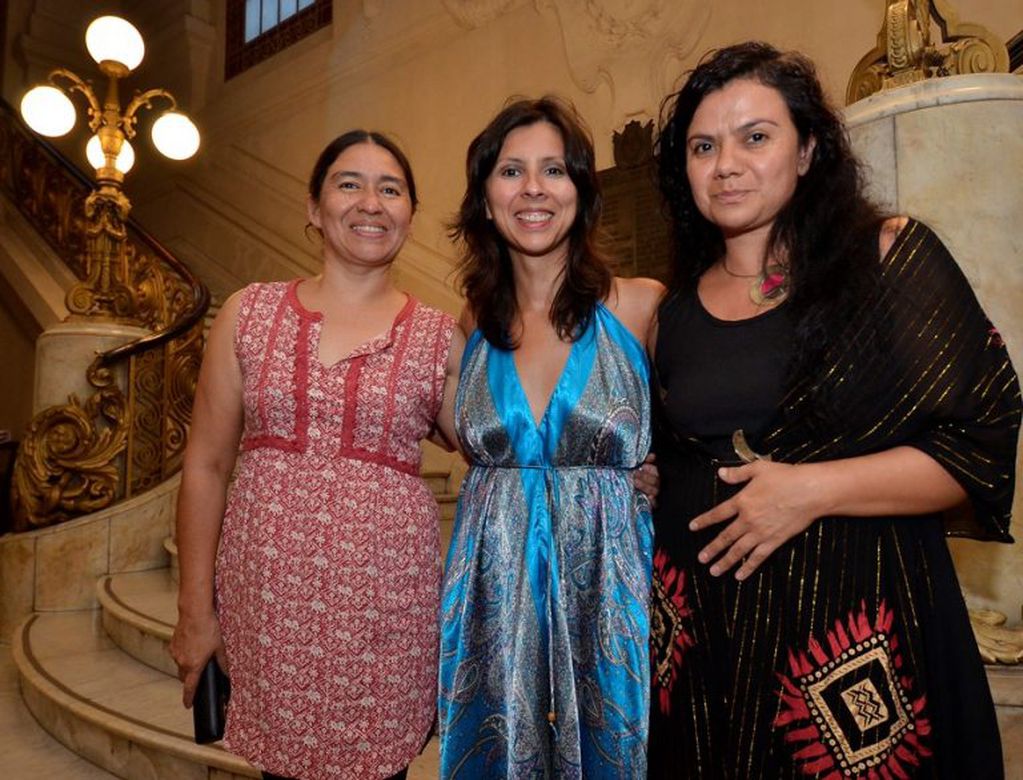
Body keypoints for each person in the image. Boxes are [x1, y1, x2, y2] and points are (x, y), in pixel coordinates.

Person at [647, 41, 1021, 778]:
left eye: (755, 137)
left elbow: (976, 447)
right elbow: (671, 453)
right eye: (702, 146)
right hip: (703, 645)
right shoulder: (672, 311)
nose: (726, 164)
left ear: (808, 149)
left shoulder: (887, 257)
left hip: (852, 638)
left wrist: (808, 491)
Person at [169, 130, 464, 780]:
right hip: (270, 619)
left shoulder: (442, 337)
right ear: (313, 208)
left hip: (387, 621)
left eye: (390, 189)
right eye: (349, 183)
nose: (371, 202)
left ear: (409, 215)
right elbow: (206, 466)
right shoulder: (247, 313)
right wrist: (195, 611)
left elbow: (502, 448)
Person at [437, 96, 665, 778]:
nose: (533, 188)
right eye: (511, 171)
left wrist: (660, 473)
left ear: (581, 191)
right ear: (484, 196)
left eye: (554, 170)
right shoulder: (471, 321)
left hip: (613, 592)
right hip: (492, 597)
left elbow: (704, 432)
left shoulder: (640, 305)